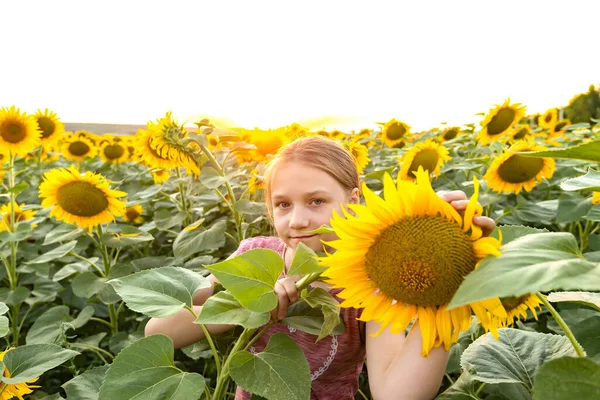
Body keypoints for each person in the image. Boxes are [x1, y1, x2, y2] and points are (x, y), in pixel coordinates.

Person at [145, 136, 496, 400]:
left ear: (353, 199)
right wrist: (248, 308)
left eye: (316, 201)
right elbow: (158, 332)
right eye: (283, 204)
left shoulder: (371, 283)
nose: (298, 220)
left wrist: (448, 286)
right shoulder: (254, 256)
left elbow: (395, 393)